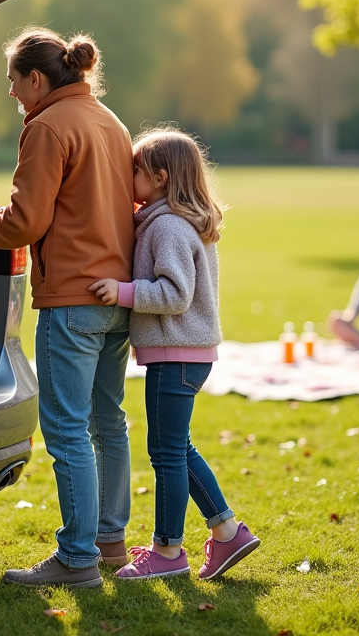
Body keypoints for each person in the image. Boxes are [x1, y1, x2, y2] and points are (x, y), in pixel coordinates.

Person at [0, 28, 134, 589]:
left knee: (66, 431)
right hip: (117, 299)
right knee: (109, 423)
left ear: (36, 78)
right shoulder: (110, 122)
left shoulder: (49, 127)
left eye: (12, 80)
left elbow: (24, 223)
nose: (10, 92)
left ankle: (77, 560)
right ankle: (109, 543)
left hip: (72, 302)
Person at [90, 127, 260, 582]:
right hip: (187, 353)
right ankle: (227, 531)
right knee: (175, 447)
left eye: (136, 172)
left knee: (165, 454)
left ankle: (167, 551)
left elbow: (175, 293)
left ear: (161, 178)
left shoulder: (166, 226)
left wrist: (122, 292)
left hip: (176, 352)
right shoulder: (175, 218)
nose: (129, 178)